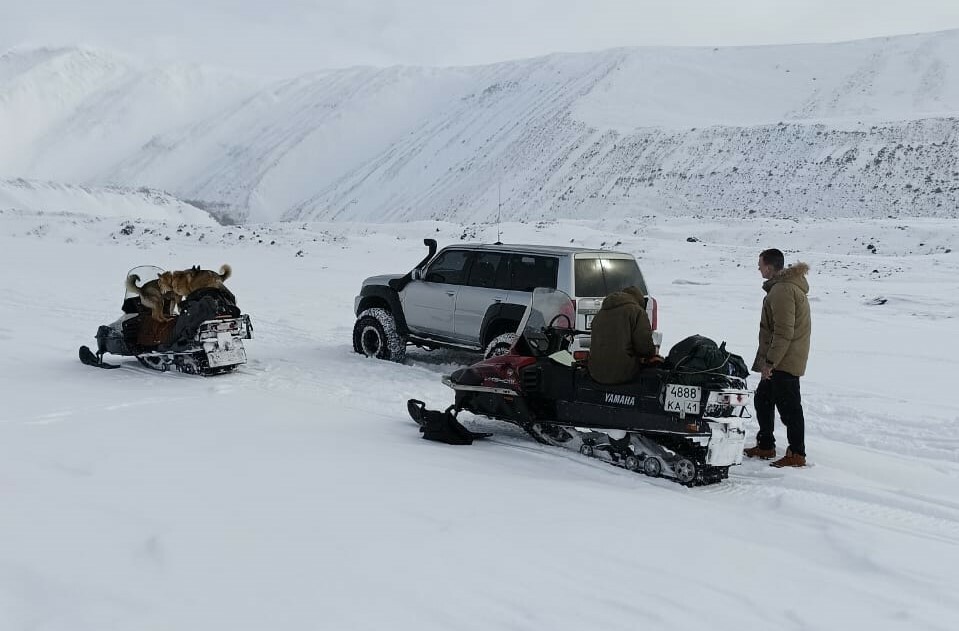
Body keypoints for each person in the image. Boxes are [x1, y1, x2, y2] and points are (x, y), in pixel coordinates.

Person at [744, 249, 812, 468]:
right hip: (782, 358)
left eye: (760, 264)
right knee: (763, 399)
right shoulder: (782, 288)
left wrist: (770, 363)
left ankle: (797, 454)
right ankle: (765, 445)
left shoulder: (782, 290)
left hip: (784, 361)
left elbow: (783, 332)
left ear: (770, 267)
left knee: (789, 407)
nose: (758, 268)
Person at [587, 286, 658, 385]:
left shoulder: (600, 314)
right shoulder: (637, 311)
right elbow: (644, 347)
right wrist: (652, 353)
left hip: (596, 372)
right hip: (624, 372)